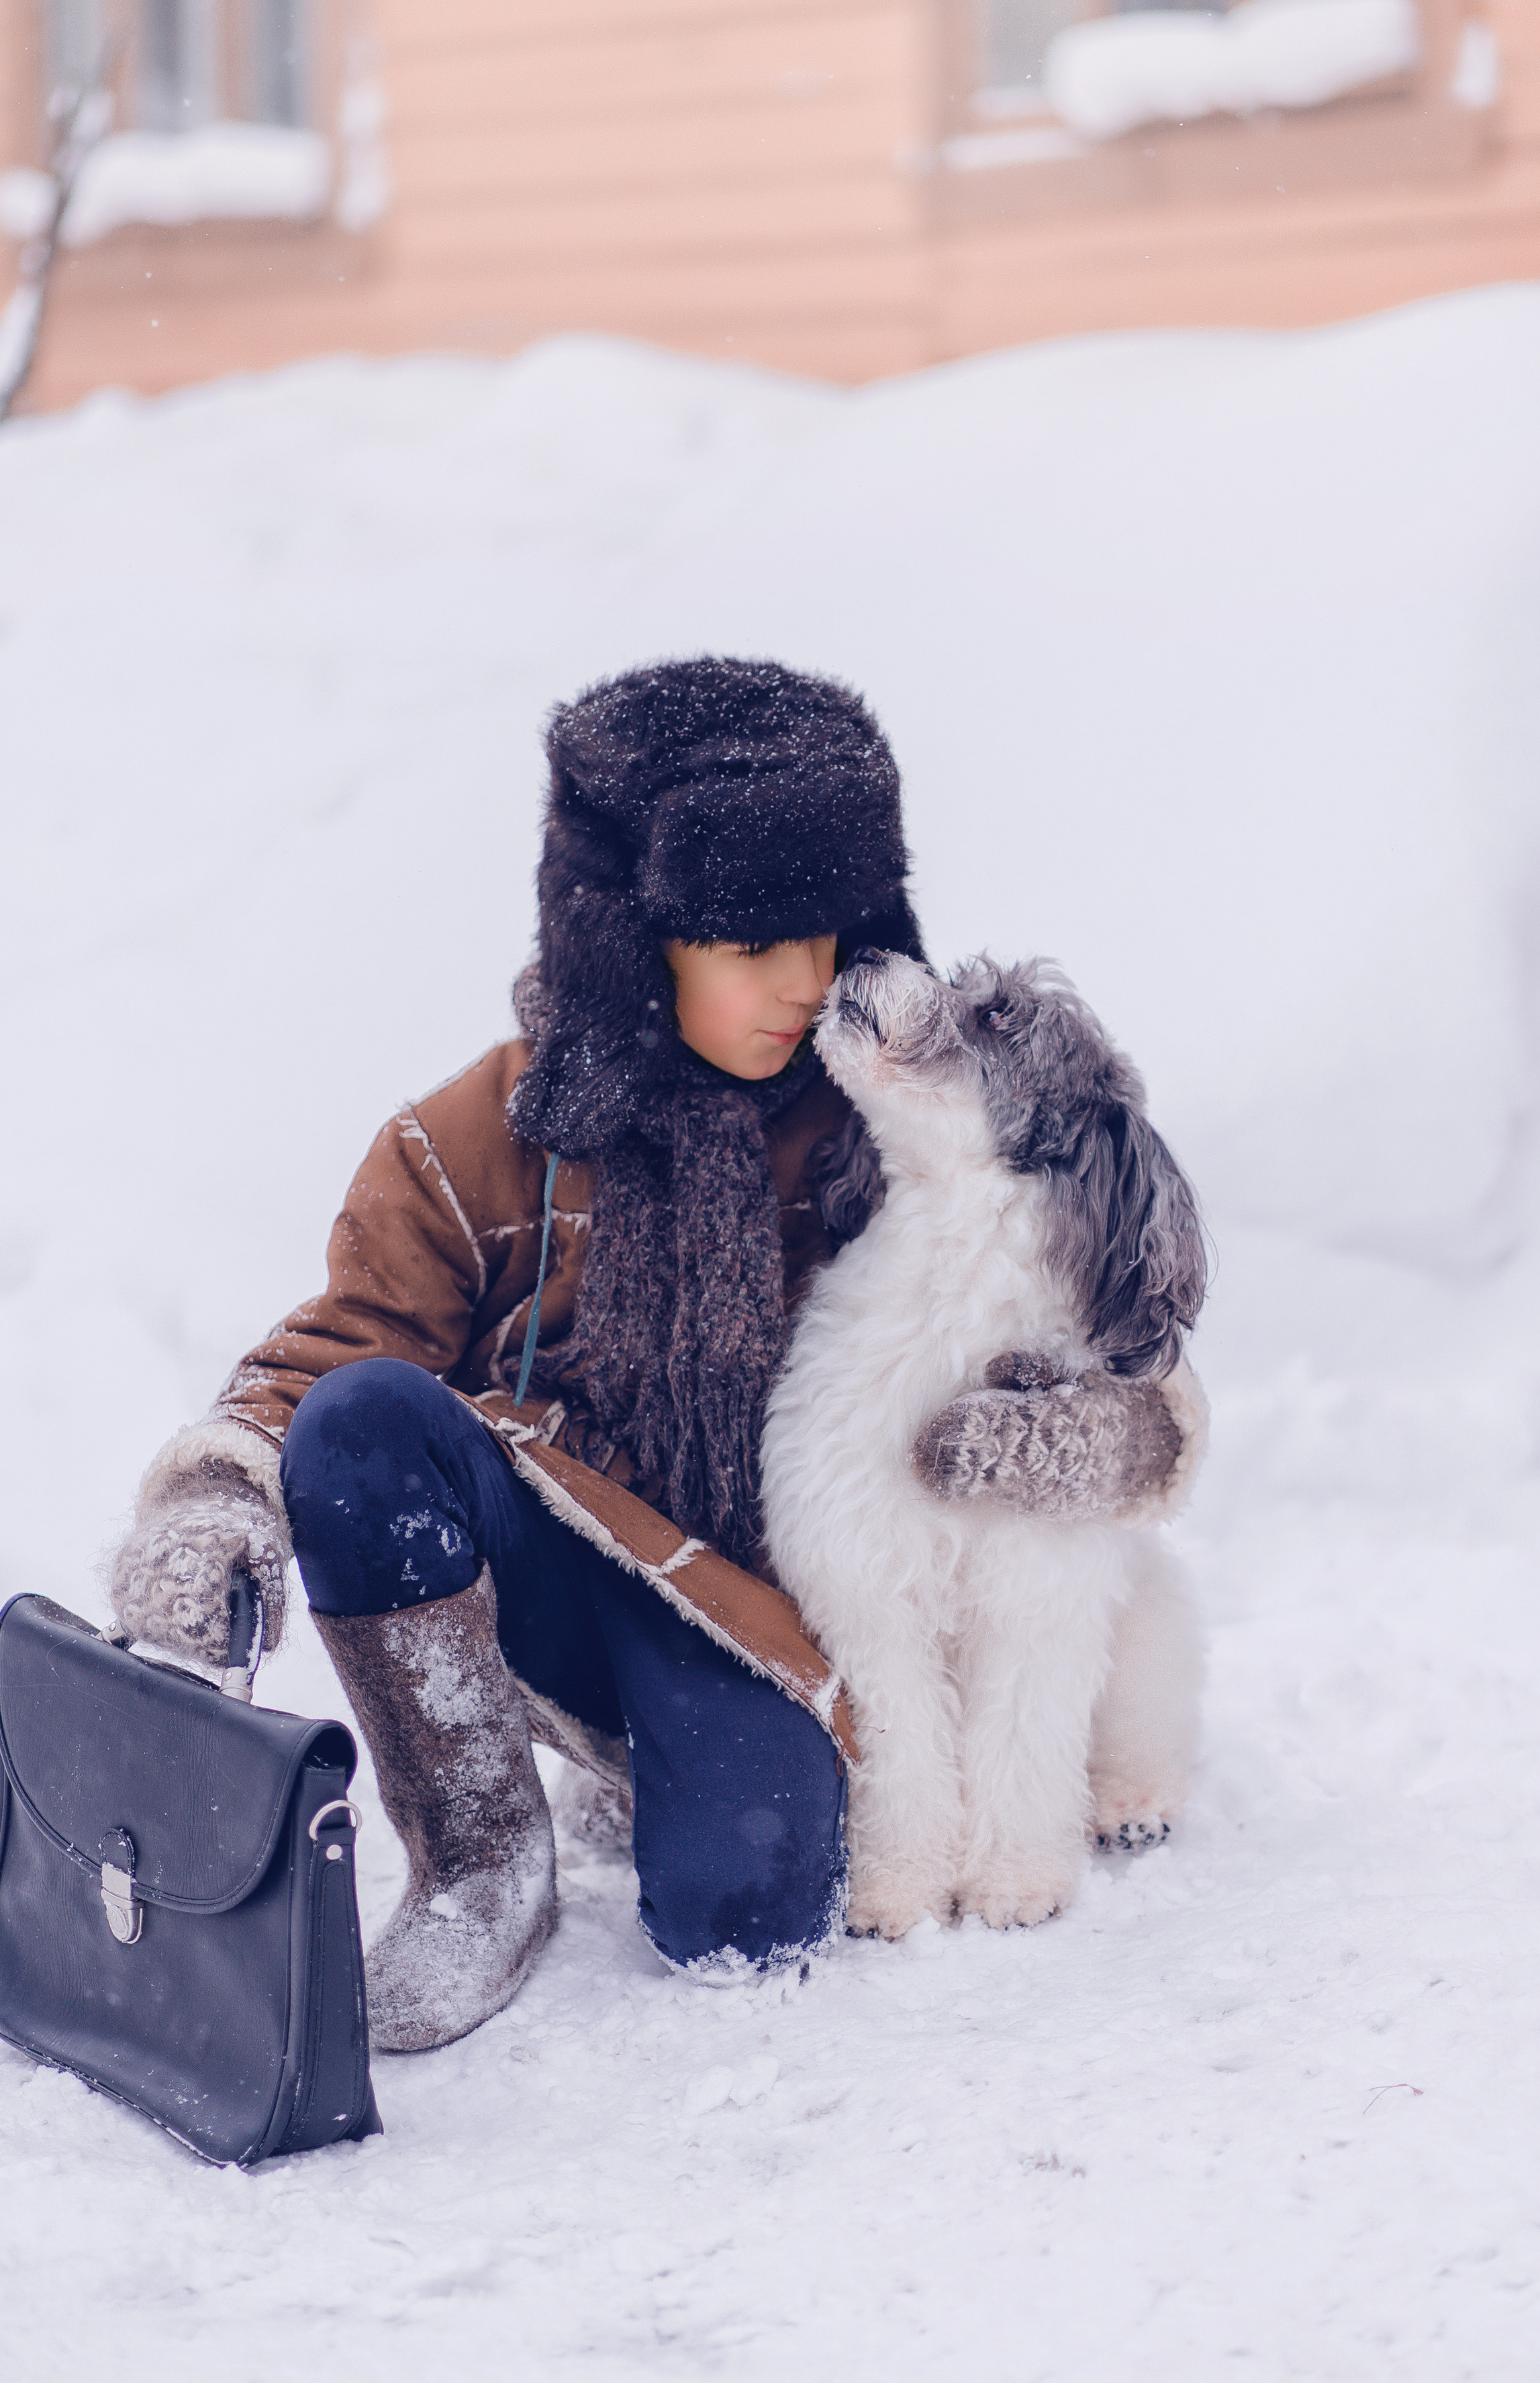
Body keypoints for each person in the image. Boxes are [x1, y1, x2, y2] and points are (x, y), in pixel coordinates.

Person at [108, 656, 1189, 2050]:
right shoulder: (483, 1137)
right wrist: (211, 1501)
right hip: (554, 1547)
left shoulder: (885, 1109)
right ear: (633, 942)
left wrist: (1115, 1435)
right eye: (750, 949)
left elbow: (1093, 1299)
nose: (804, 986)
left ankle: (665, 1762)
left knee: (747, 1907)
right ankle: (480, 1859)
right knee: (365, 1418)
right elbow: (333, 1346)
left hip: (753, 1615)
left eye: (825, 937)